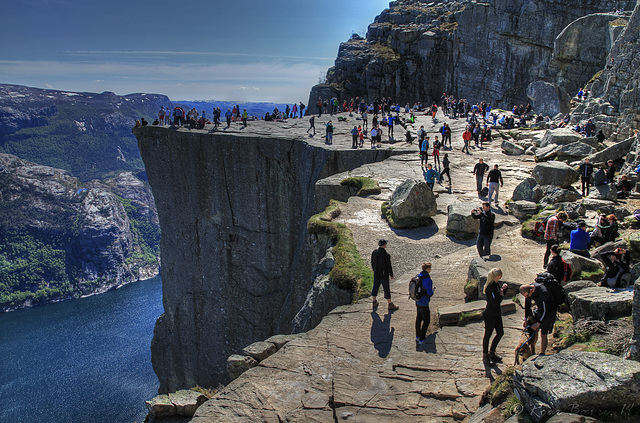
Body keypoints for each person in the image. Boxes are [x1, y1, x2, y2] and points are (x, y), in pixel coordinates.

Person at [520, 282, 556, 356]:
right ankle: (533, 348)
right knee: (533, 328)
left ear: (530, 290)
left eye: (527, 295)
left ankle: (542, 353)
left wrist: (539, 323)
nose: (527, 297)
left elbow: (546, 310)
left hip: (549, 311)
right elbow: (527, 305)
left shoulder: (543, 292)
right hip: (540, 309)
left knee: (544, 333)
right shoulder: (529, 291)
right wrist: (526, 318)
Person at [482, 268, 507, 364]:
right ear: (496, 276)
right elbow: (495, 302)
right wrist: (501, 294)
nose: (500, 277)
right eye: (499, 276)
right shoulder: (490, 287)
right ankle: (485, 354)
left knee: (500, 333)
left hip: (496, 313)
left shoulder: (496, 285)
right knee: (488, 334)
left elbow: (499, 296)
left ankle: (492, 351)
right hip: (490, 314)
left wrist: (503, 290)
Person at [371, 240, 399, 311]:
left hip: (376, 273)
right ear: (384, 245)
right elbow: (388, 266)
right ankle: (390, 304)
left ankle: (374, 301)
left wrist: (374, 270)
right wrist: (391, 274)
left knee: (375, 287)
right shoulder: (386, 255)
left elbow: (372, 262)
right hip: (384, 274)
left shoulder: (374, 253)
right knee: (386, 288)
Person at [415, 262, 435, 347]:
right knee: (426, 320)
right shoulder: (428, 280)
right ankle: (422, 339)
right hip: (424, 302)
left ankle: (417, 336)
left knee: (419, 318)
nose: (430, 270)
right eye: (430, 268)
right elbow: (429, 293)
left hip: (417, 301)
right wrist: (433, 290)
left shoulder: (418, 276)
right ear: (427, 269)